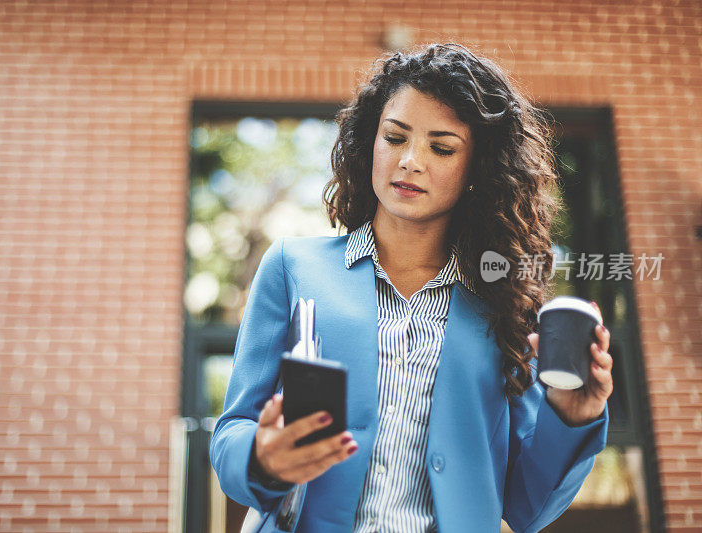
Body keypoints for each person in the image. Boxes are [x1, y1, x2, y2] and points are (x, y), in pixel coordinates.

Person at [209, 43, 613, 533]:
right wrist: (263, 458)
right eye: (395, 138)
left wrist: (570, 417)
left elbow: (527, 505)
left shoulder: (505, 303)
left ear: (475, 171)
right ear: (369, 143)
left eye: (441, 148)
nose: (410, 161)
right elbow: (232, 432)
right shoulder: (293, 267)